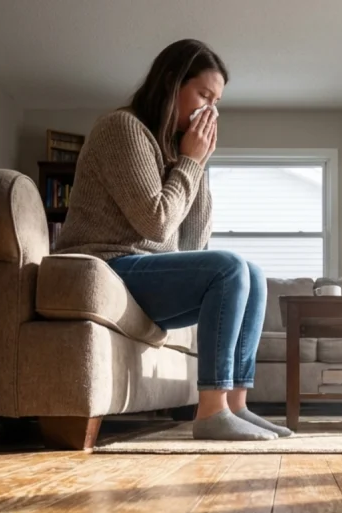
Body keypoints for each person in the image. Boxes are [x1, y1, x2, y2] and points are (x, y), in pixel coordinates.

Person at [53, 39, 291, 441]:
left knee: (251, 272)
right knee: (231, 267)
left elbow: (193, 246)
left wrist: (196, 166)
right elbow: (156, 224)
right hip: (110, 264)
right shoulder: (122, 129)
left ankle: (236, 405)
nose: (209, 110)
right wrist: (190, 163)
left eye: (216, 102)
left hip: (142, 272)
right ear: (171, 82)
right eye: (203, 94)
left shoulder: (171, 149)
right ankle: (211, 411)